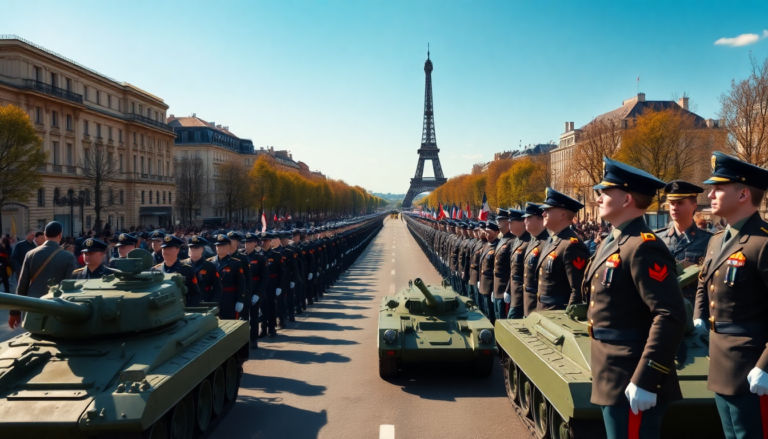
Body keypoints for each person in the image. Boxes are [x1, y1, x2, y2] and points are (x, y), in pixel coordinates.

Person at [586, 157, 687, 439]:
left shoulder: (642, 246)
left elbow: (670, 315)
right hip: (613, 372)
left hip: (632, 375)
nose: (598, 199)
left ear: (627, 199)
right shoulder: (616, 240)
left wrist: (646, 378)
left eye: (605, 193)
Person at [693, 152, 768, 439]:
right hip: (720, 358)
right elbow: (704, 284)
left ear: (744, 194)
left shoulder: (762, 243)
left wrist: (766, 366)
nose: (710, 194)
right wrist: (700, 318)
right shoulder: (716, 240)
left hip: (752, 363)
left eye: (719, 188)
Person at [8, 222, 78, 329]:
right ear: (60, 235)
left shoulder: (30, 254)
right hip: (57, 307)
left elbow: (22, 284)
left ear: (45, 234)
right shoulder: (68, 256)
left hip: (32, 306)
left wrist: (15, 312)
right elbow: (70, 286)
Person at [657, 180, 712, 303]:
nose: (675, 207)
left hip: (694, 308)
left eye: (680, 203)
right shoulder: (657, 239)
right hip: (663, 307)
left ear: (694, 205)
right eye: (672, 203)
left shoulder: (709, 240)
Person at [536, 188, 590, 311]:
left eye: (547, 210)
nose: (543, 214)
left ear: (562, 214)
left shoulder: (571, 245)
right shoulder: (553, 240)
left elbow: (577, 290)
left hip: (557, 314)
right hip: (543, 310)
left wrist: (568, 317)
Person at [154, 234, 201, 307]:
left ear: (177, 250)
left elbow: (195, 294)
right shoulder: (156, 270)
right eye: (164, 248)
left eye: (169, 248)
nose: (166, 251)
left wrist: (187, 309)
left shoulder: (186, 269)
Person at [520, 203, 550, 316]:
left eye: (528, 218)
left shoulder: (547, 242)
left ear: (539, 219)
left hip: (538, 303)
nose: (525, 221)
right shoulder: (534, 241)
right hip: (527, 300)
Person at [208, 234, 246, 320]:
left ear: (228, 247)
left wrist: (240, 299)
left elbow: (241, 283)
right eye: (217, 245)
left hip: (229, 298)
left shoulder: (235, 263)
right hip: (214, 297)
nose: (219, 248)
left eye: (222, 245)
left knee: (229, 322)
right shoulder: (210, 263)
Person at [503, 208, 529, 319]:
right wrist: (508, 289)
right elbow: (513, 270)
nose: (509, 224)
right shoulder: (517, 240)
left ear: (522, 222)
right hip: (514, 293)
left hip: (522, 296)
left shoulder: (528, 242)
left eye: (511, 222)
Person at [183, 236, 222, 304]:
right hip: (185, 302)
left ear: (203, 249)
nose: (193, 250)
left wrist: (212, 304)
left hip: (204, 302)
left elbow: (218, 288)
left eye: (196, 247)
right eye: (191, 247)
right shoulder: (182, 265)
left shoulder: (210, 266)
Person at [492, 209, 514, 324]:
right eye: (498, 219)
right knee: (497, 318)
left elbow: (513, 269)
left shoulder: (512, 241)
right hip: (497, 288)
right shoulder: (502, 240)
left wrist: (508, 290)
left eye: (501, 219)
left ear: (508, 221)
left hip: (504, 287)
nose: (498, 221)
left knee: (503, 321)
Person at [478, 221, 500, 318]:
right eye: (486, 232)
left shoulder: (498, 246)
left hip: (491, 285)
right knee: (485, 309)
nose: (487, 234)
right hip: (484, 282)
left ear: (496, 232)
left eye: (489, 232)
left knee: (491, 312)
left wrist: (493, 289)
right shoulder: (487, 245)